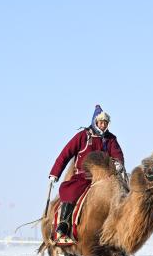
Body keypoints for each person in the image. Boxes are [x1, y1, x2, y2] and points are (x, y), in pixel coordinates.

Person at [48, 105, 125, 245]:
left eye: (105, 123)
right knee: (70, 192)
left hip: (104, 178)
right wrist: (55, 173)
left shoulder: (110, 139)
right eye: (101, 122)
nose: (103, 125)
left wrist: (118, 163)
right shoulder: (83, 136)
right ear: (95, 121)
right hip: (83, 177)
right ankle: (63, 227)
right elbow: (65, 154)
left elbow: (117, 154)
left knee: (122, 195)